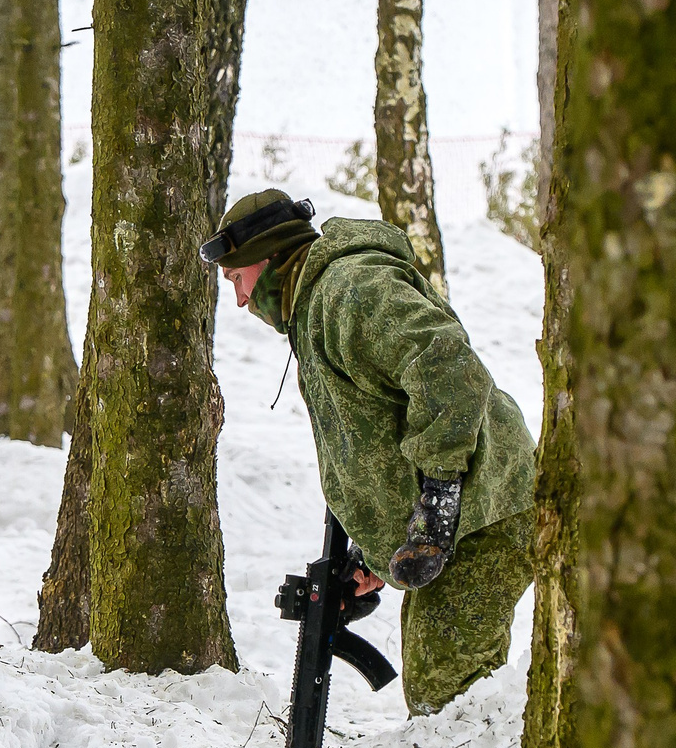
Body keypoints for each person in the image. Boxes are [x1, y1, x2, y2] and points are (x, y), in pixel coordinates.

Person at [204, 189, 537, 715]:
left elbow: (446, 364)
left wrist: (437, 505)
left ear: (266, 260)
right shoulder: (318, 305)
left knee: (452, 704)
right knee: (445, 701)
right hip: (465, 516)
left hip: (482, 511)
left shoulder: (348, 289)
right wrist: (377, 554)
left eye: (236, 280)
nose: (241, 300)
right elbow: (376, 435)